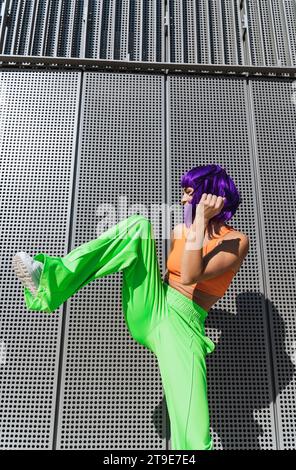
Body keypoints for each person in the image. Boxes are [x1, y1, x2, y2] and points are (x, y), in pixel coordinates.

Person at [12, 164, 249, 450]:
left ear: (210, 194)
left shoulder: (235, 241)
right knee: (139, 226)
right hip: (155, 305)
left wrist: (200, 220)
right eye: (183, 194)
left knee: (194, 433)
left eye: (189, 193)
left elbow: (190, 275)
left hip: (183, 325)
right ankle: (51, 278)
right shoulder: (180, 230)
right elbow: (169, 277)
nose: (183, 200)